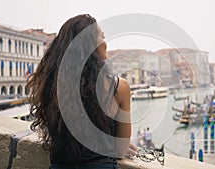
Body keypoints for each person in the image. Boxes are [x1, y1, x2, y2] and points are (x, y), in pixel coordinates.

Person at [27, 14, 136, 169]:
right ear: (90, 44)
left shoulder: (53, 85)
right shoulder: (118, 87)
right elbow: (121, 150)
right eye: (102, 37)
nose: (105, 42)